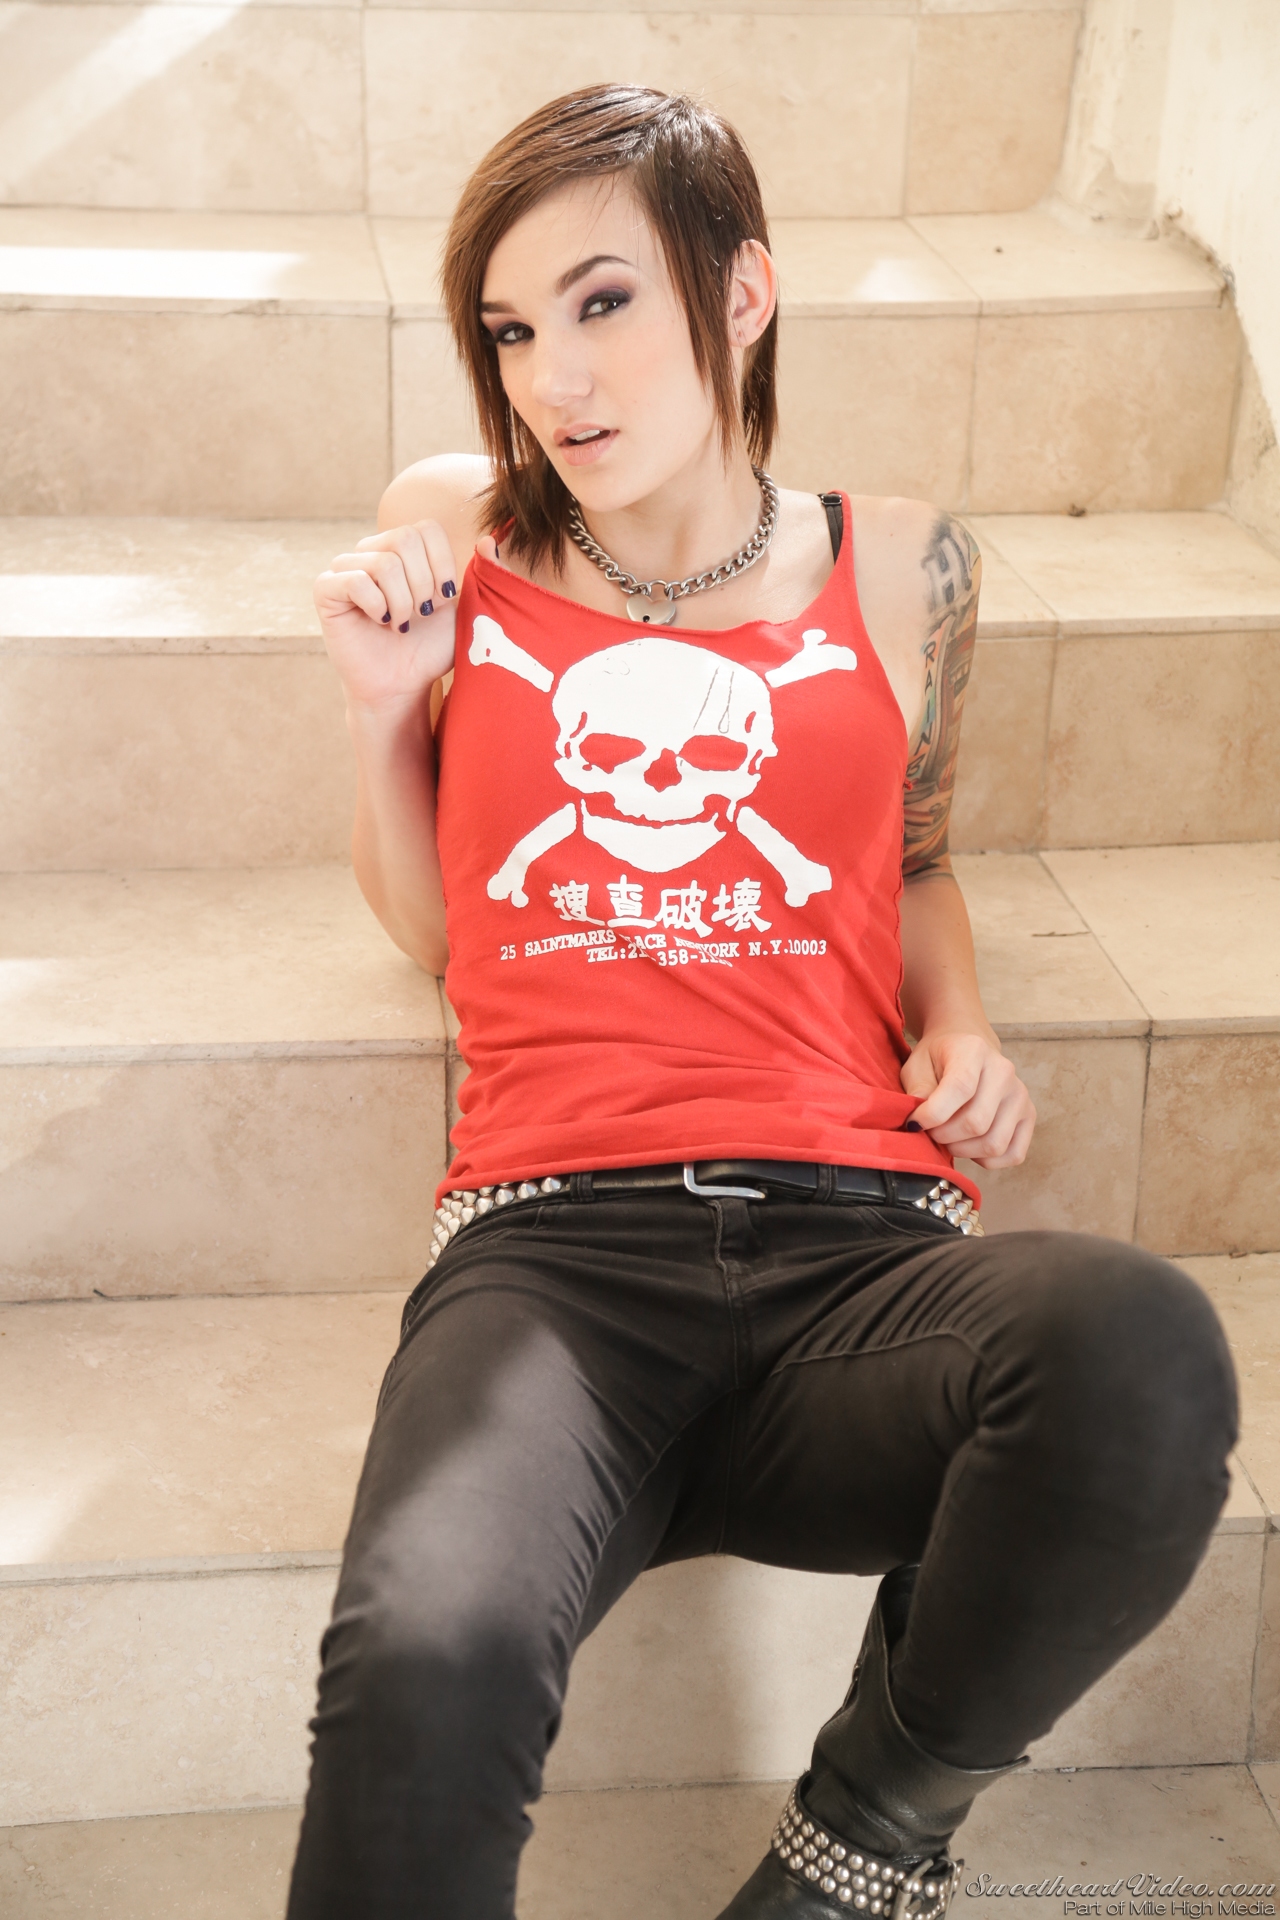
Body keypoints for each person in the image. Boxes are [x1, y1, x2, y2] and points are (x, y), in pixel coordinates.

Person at [292, 84, 1236, 1920]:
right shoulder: (458, 533)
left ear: (741, 294)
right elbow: (446, 938)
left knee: (1138, 1345)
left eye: (603, 302)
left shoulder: (904, 562)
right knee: (419, 1663)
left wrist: (959, 1023)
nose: (555, 378)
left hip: (860, 1259)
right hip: (555, 1262)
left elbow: (912, 857)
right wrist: (382, 710)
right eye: (511, 329)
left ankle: (854, 1856)